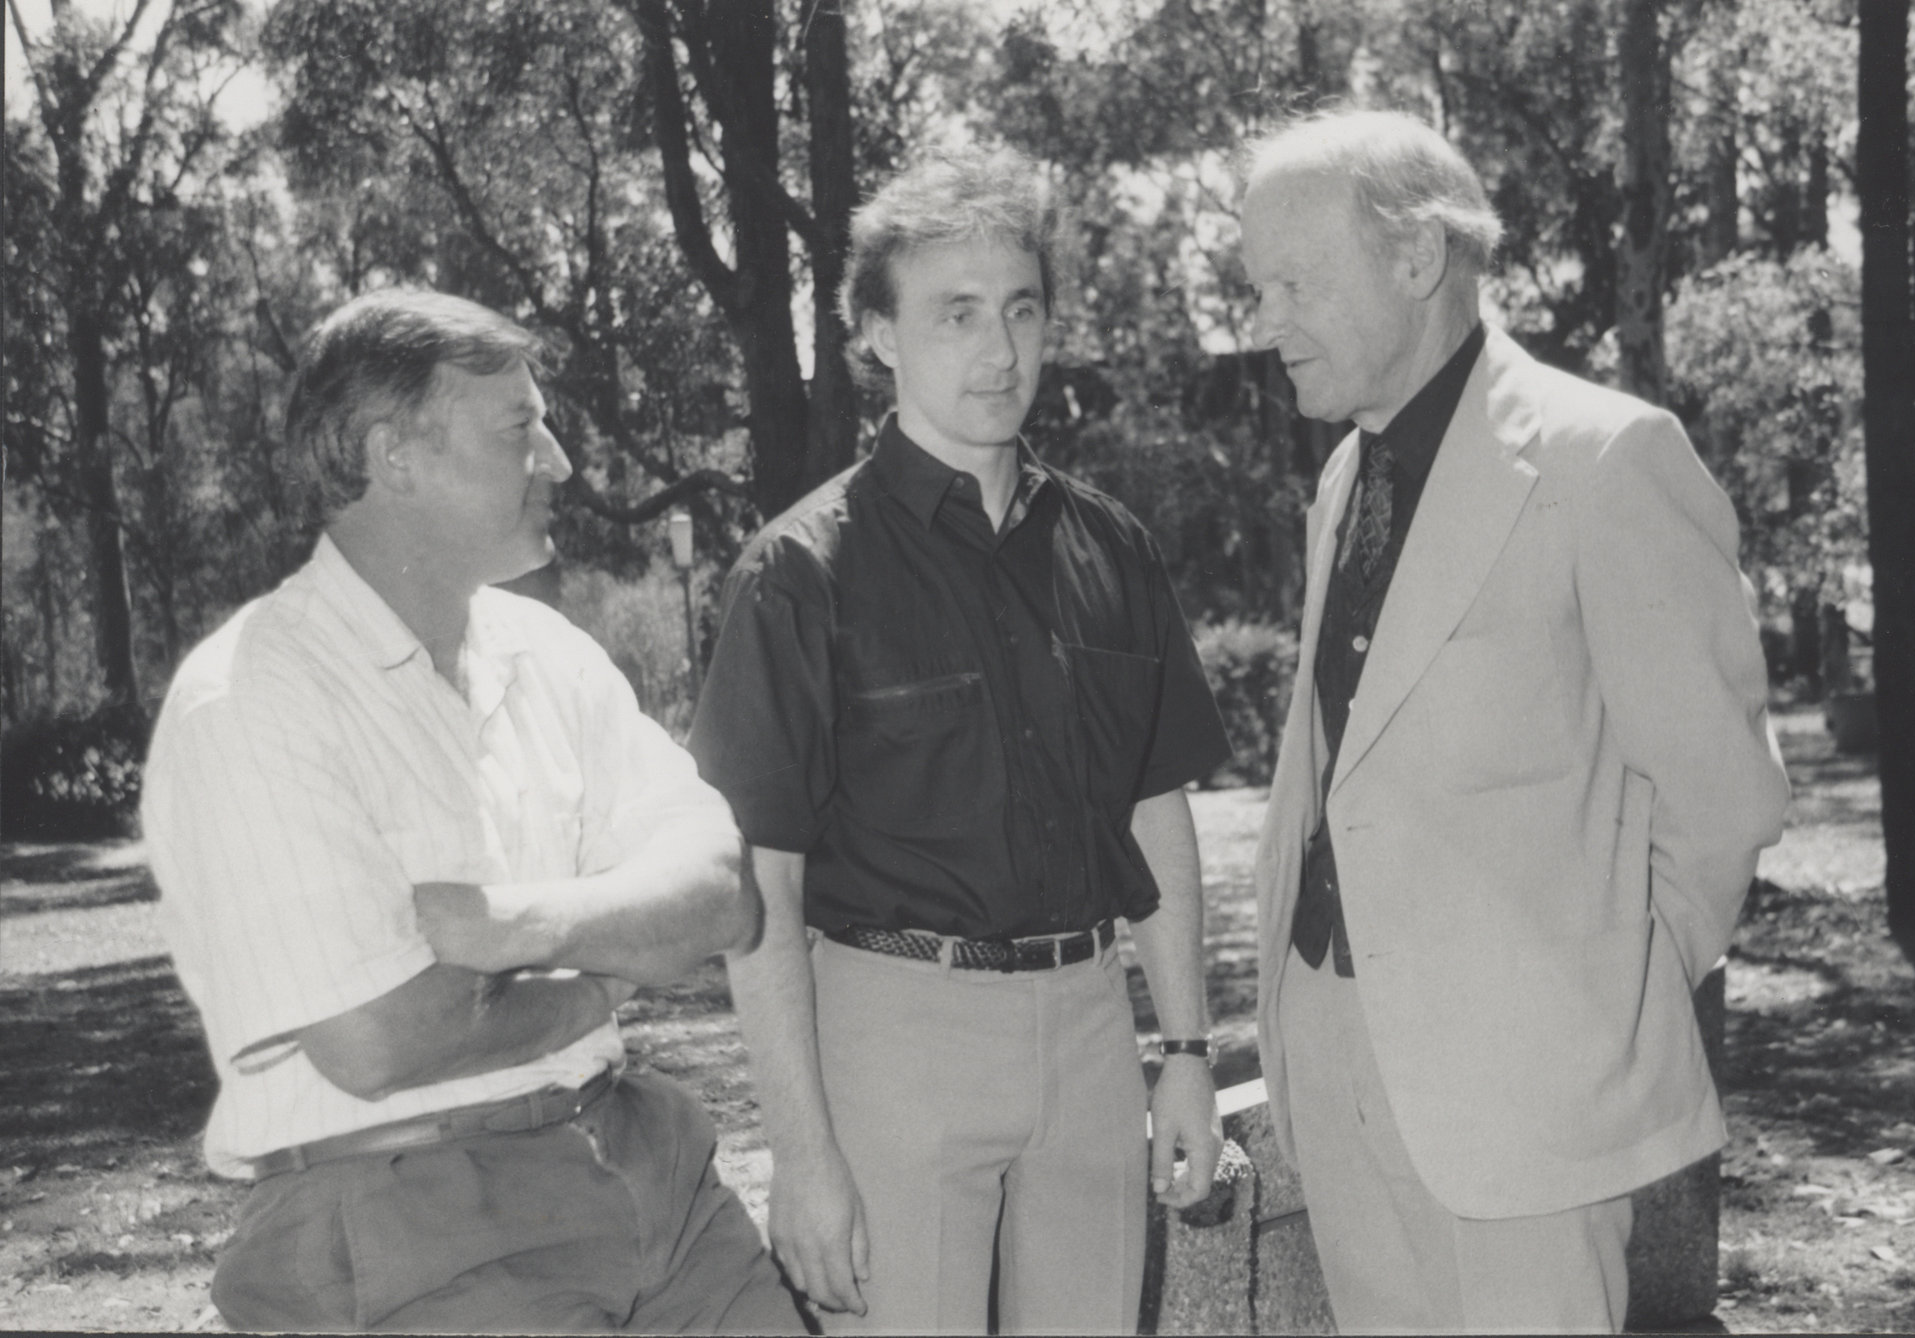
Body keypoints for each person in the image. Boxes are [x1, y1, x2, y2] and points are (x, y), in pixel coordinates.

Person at [142, 289, 803, 1334]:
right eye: (518, 427)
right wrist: (612, 973)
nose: (560, 462)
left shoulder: (548, 655)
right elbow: (377, 1042)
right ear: (394, 455)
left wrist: (512, 927)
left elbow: (720, 890)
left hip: (653, 1179)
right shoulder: (254, 696)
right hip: (413, 1222)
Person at [1238, 109, 1790, 1333]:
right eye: (1256, 287)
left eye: (1294, 284)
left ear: (1417, 257)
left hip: (1534, 1103)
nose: (1264, 322)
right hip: (1336, 1066)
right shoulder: (1343, 477)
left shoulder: (1605, 457)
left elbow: (1722, 796)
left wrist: (1603, 1003)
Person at [687, 148, 1233, 1335]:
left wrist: (1186, 1050)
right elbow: (760, 891)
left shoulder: (1111, 548)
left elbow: (1154, 807)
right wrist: (804, 1156)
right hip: (896, 1035)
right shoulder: (798, 574)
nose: (999, 352)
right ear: (878, 334)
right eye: (956, 314)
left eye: (1021, 311)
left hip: (1090, 1031)